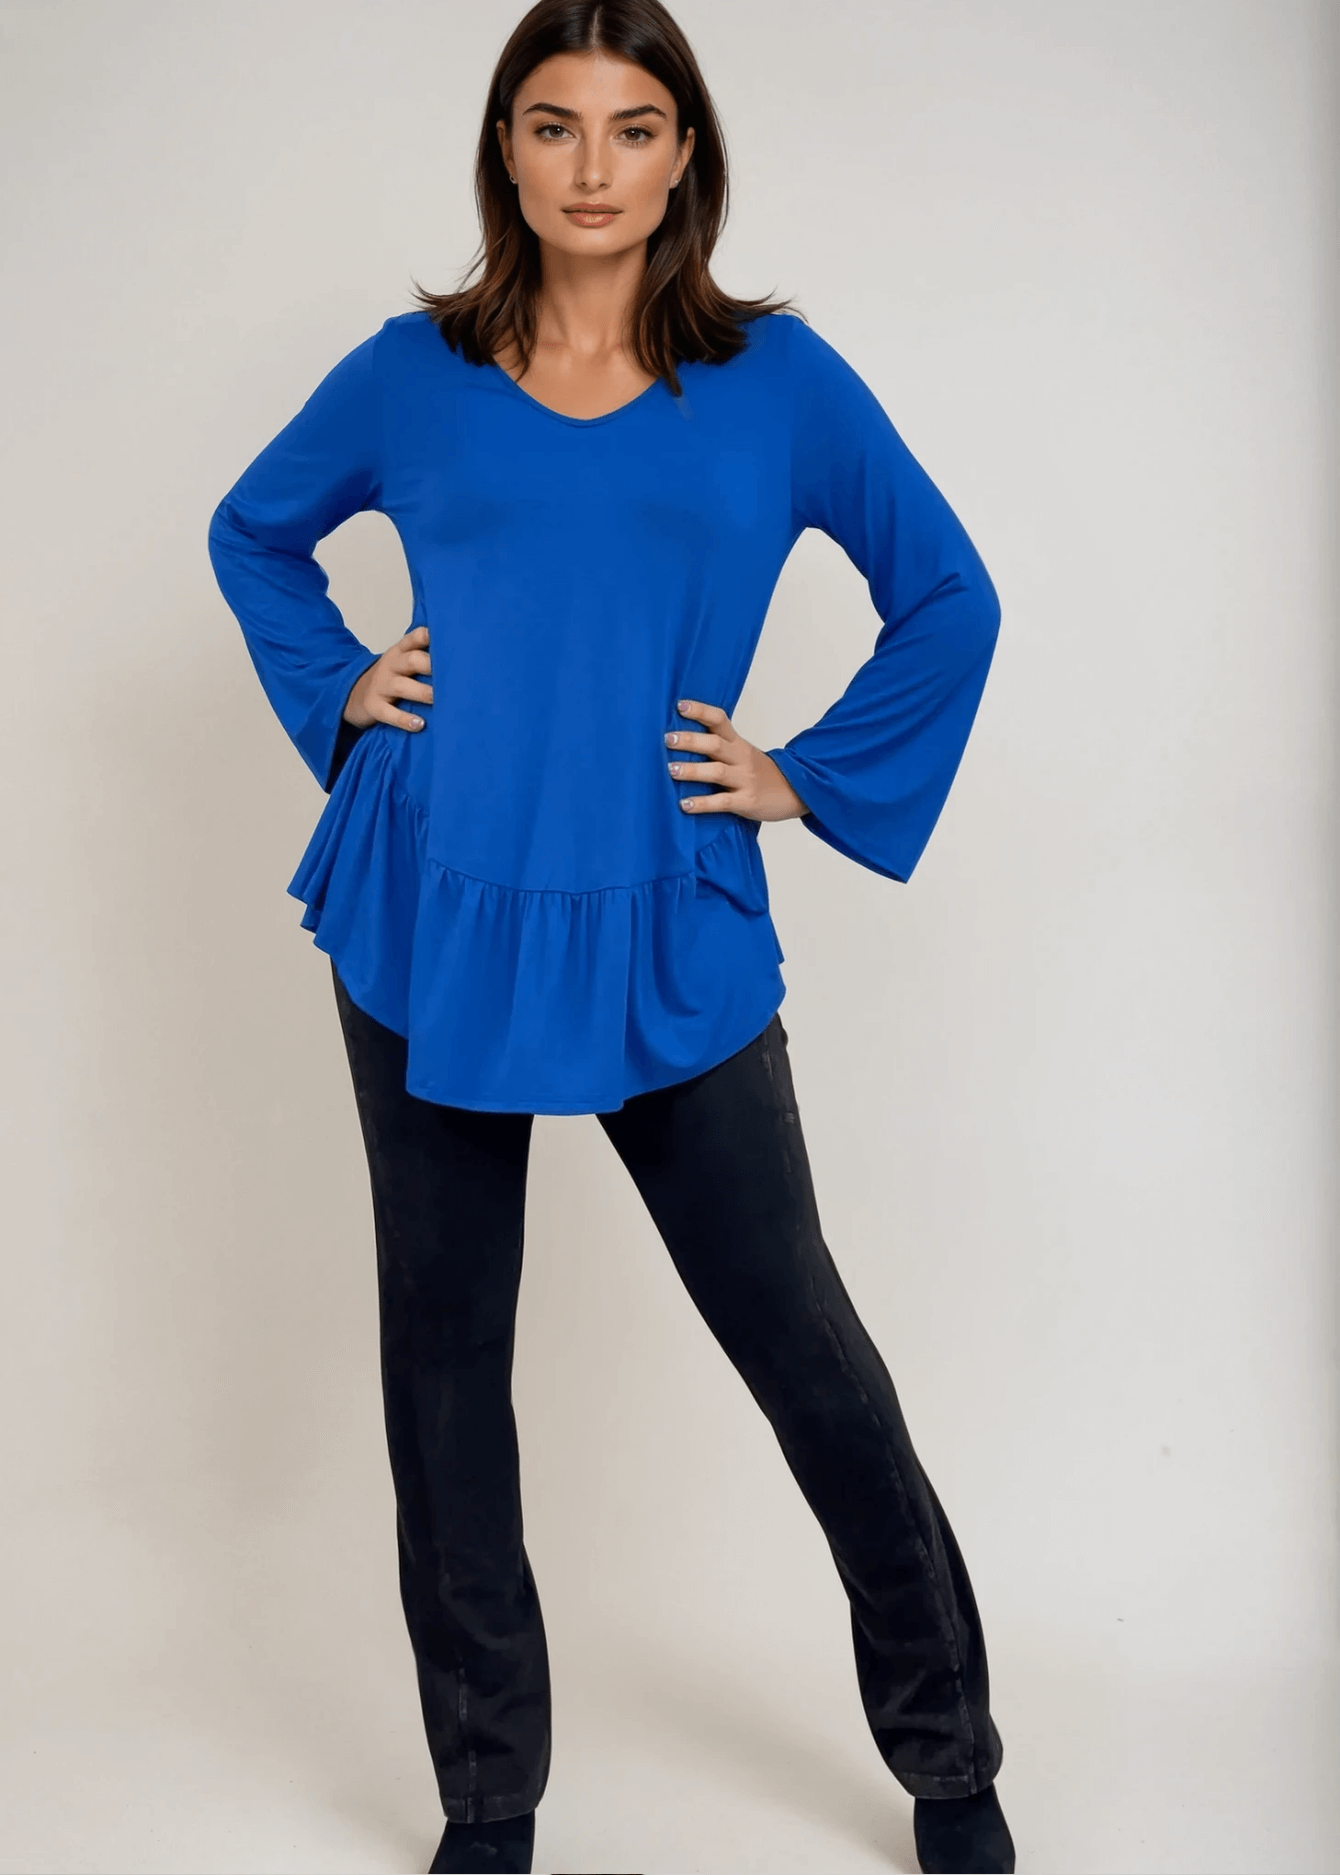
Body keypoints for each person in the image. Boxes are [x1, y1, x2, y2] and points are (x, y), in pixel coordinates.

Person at [206, 3, 1014, 1869]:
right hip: (428, 902)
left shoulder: (776, 382)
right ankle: (489, 1797)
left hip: (665, 911)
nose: (593, 166)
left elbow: (950, 595)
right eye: (555, 124)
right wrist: (340, 686)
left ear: (683, 155)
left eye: (633, 127)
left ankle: (949, 1758)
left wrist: (800, 777)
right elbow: (255, 533)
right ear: (504, 146)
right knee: (443, 1370)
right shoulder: (411, 374)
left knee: (805, 1348)